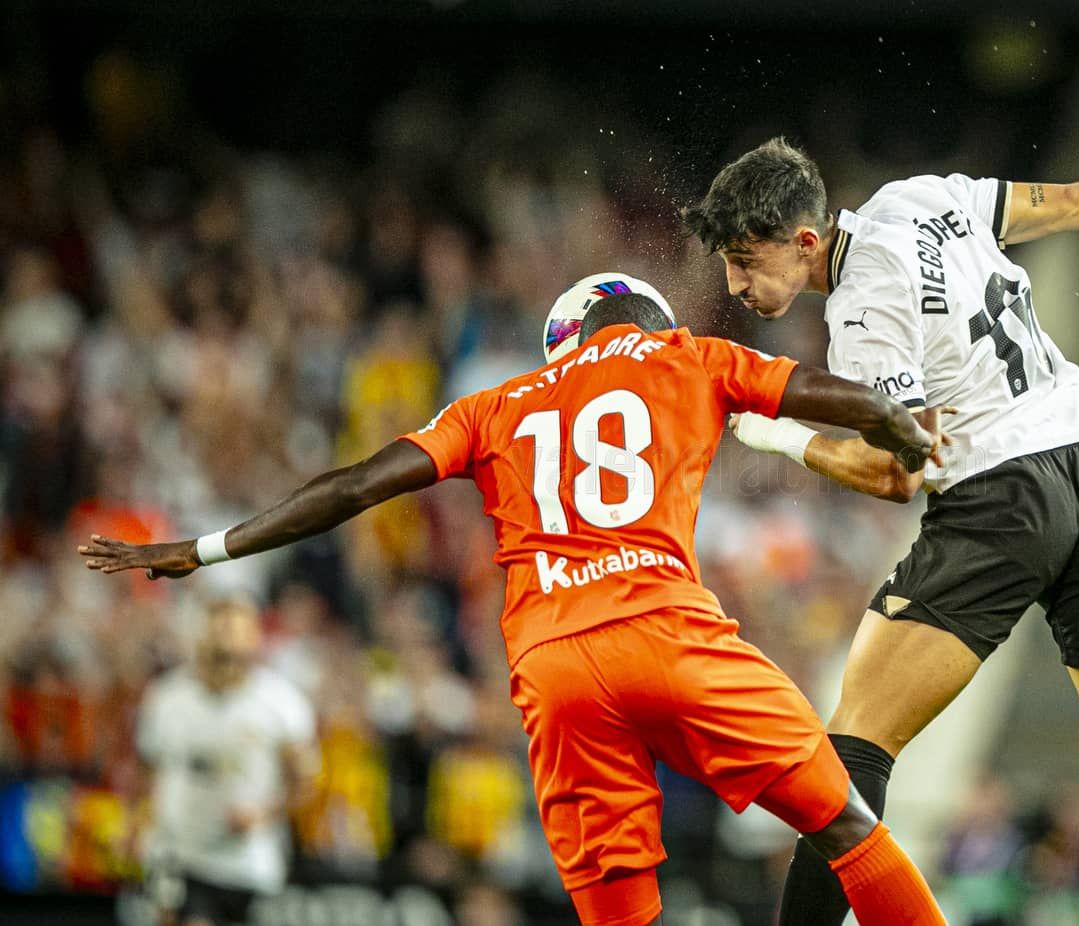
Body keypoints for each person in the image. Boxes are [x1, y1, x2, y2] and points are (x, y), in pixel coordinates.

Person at [81, 285, 950, 926]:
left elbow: (351, 488)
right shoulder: (687, 353)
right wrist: (902, 427)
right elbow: (828, 396)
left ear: (560, 339)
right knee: (845, 825)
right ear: (643, 319)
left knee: (622, 914)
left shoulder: (495, 403)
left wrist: (202, 549)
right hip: (665, 628)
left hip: (554, 665)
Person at [682, 131, 1079, 925]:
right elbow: (1070, 202)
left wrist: (778, 434)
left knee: (851, 754)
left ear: (805, 241)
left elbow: (897, 475)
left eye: (745, 259)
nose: (734, 283)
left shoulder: (863, 307)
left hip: (1003, 498)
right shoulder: (924, 196)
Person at [134, 596, 319, 926]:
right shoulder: (167, 698)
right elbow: (147, 771)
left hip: (247, 860)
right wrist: (140, 822)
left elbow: (306, 783)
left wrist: (263, 815)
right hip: (179, 854)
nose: (224, 660)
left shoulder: (281, 703)